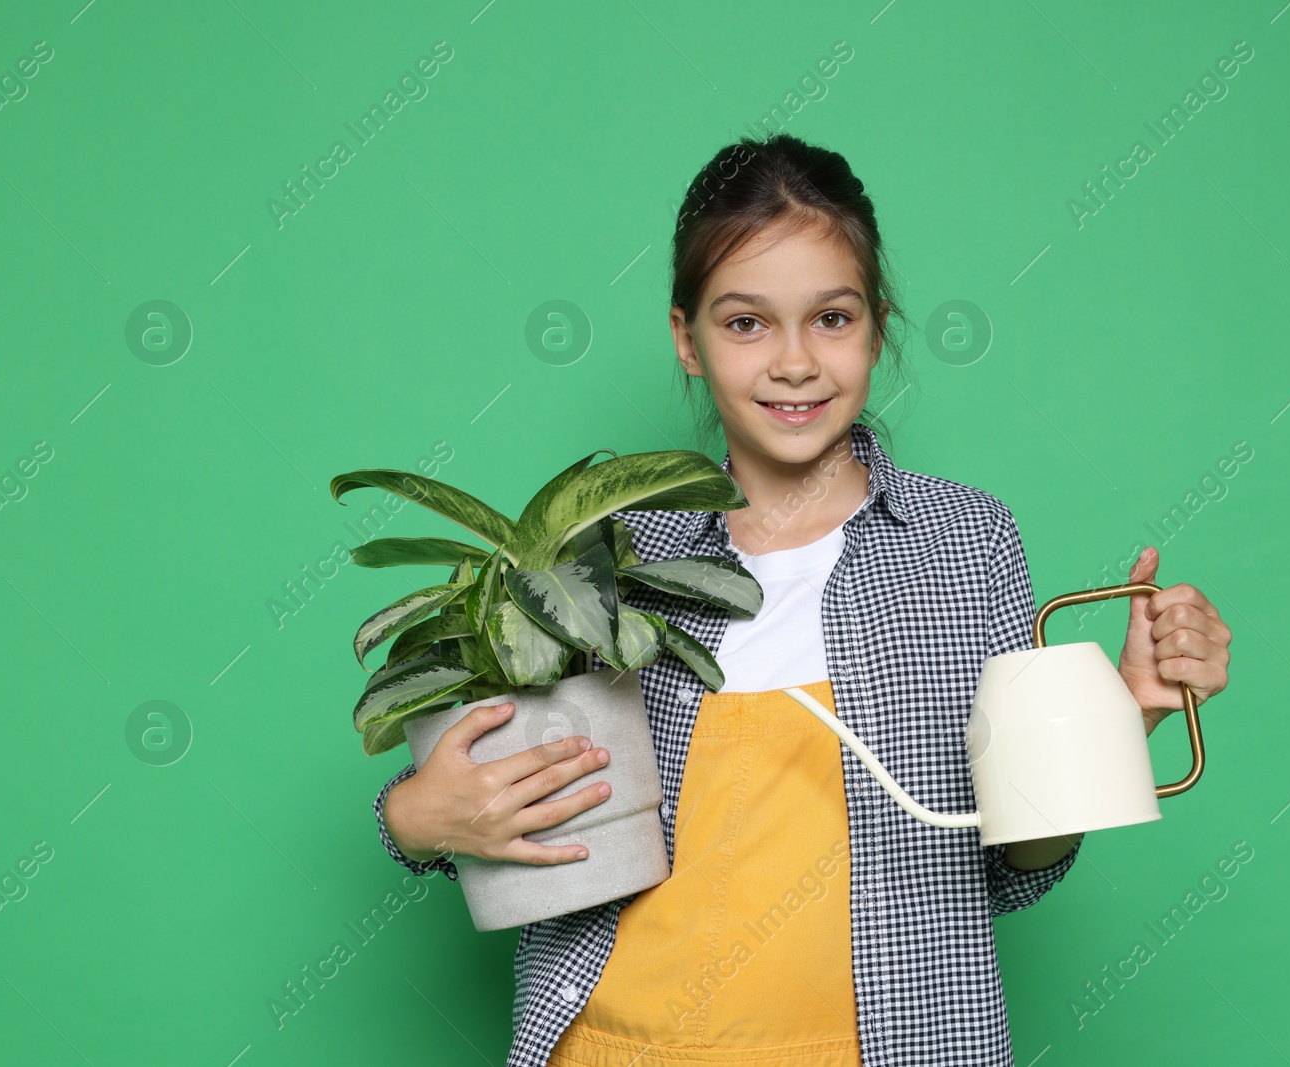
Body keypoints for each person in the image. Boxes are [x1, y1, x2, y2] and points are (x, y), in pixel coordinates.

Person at [375, 131, 1233, 1066]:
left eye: (831, 317)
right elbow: (502, 786)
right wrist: (414, 818)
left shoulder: (967, 546)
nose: (794, 361)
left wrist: (1118, 720)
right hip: (617, 1039)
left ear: (878, 323)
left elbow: (1012, 864)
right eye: (746, 322)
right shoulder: (608, 555)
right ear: (686, 339)